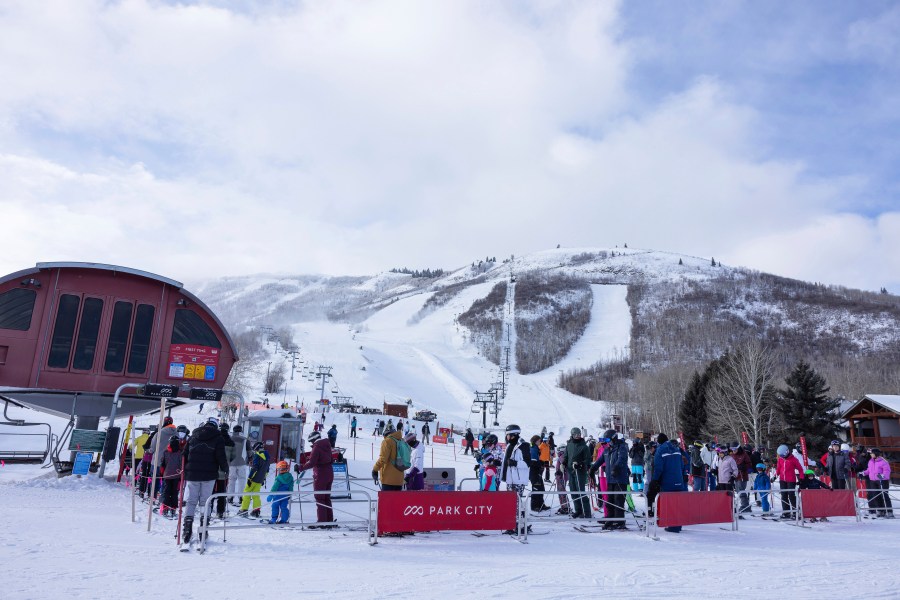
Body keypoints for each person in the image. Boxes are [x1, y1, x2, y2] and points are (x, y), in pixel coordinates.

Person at [181, 419, 229, 544]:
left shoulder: (193, 437)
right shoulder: (218, 438)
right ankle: (203, 528)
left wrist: (185, 468)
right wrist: (225, 469)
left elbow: (184, 454)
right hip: (209, 475)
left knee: (191, 501)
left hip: (192, 474)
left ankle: (187, 529)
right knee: (205, 502)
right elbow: (221, 457)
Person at [591, 429, 629, 529]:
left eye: (608, 440)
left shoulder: (622, 447)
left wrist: (616, 468)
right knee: (609, 501)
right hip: (610, 479)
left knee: (618, 500)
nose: (607, 442)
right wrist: (592, 468)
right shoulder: (607, 450)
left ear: (614, 438)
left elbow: (622, 459)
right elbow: (600, 460)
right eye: (606, 440)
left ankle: (619, 522)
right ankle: (610, 520)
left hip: (619, 479)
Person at [299, 430, 336, 526]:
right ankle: (329, 520)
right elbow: (331, 459)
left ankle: (322, 522)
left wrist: (300, 468)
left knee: (319, 497)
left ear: (313, 440)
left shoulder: (317, 447)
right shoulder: (327, 445)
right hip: (329, 473)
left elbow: (312, 462)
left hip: (320, 474)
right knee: (326, 497)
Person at [651, 433, 687, 532]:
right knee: (677, 504)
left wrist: (655, 479)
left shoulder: (660, 450)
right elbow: (682, 465)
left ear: (659, 441)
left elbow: (658, 468)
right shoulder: (677, 449)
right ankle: (678, 525)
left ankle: (672, 526)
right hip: (679, 480)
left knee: (669, 504)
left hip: (667, 481)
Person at [501, 424, 532, 534]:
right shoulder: (510, 445)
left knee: (517, 504)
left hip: (518, 480)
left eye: (508, 435)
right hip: (510, 479)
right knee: (510, 504)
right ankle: (511, 525)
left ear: (513, 435)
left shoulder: (523, 446)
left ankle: (521, 526)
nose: (507, 437)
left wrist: (515, 463)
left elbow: (528, 463)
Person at [237, 442, 270, 518]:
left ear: (257, 448)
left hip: (254, 479)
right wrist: (263, 478)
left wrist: (249, 478)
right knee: (256, 495)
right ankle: (256, 511)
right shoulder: (267, 457)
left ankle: (244, 510)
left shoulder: (257, 456)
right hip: (260, 479)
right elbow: (267, 470)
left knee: (246, 493)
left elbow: (255, 468)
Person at [565, 427, 591, 519]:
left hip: (579, 471)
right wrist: (563, 463)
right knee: (573, 491)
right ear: (572, 435)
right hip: (570, 471)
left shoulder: (584, 446)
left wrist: (580, 464)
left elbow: (588, 460)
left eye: (579, 434)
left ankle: (587, 512)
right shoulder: (569, 445)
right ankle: (578, 510)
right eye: (576, 434)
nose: (578, 436)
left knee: (581, 491)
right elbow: (566, 456)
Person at [775, 444, 804, 519]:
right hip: (782, 480)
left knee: (791, 495)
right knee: (784, 496)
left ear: (787, 452)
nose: (781, 456)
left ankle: (796, 512)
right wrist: (774, 476)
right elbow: (778, 469)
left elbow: (800, 469)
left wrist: (801, 478)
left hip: (791, 480)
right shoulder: (780, 459)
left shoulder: (793, 459)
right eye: (780, 455)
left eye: (782, 455)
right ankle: (786, 512)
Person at [863, 448, 894, 518]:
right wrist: (864, 473)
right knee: (876, 495)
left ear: (876, 454)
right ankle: (880, 510)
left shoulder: (883, 461)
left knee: (884, 495)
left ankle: (889, 511)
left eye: (872, 453)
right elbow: (869, 470)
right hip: (873, 481)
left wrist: (882, 476)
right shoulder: (870, 461)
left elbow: (887, 471)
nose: (870, 455)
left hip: (882, 481)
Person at [373, 426, 406, 491]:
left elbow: (383, 459)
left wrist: (375, 469)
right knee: (396, 501)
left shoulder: (387, 441)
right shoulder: (402, 441)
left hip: (388, 480)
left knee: (387, 500)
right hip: (399, 479)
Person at [158, 435, 184, 518]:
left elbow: (163, 464)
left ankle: (165, 508)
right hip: (177, 475)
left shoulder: (166, 452)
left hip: (167, 475)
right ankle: (173, 509)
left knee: (166, 492)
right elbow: (181, 465)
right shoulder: (180, 452)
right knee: (174, 492)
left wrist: (162, 474)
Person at [215, 421, 235, 518]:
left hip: (213, 469)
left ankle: (208, 510)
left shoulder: (215, 439)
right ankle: (220, 512)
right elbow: (233, 456)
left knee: (210, 491)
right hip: (224, 470)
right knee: (222, 491)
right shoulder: (230, 442)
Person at [227, 425, 251, 505]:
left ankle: (230, 497)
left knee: (231, 480)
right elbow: (249, 451)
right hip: (242, 462)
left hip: (231, 463)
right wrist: (250, 458)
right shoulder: (245, 439)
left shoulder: (229, 438)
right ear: (241, 431)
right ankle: (241, 497)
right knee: (242, 480)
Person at [528, 435, 550, 512]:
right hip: (534, 471)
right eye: (539, 441)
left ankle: (541, 504)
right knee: (536, 488)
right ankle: (534, 506)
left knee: (541, 488)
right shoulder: (533, 448)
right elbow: (533, 461)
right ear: (536, 440)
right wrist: (539, 463)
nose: (540, 442)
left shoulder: (536, 447)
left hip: (537, 471)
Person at [732, 445, 752, 515]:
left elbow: (749, 464)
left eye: (735, 449)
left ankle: (745, 506)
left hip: (742, 475)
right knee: (738, 491)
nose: (733, 451)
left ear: (738, 448)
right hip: (736, 476)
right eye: (732, 449)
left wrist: (743, 466)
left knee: (741, 491)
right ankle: (746, 506)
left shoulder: (744, 454)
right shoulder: (732, 455)